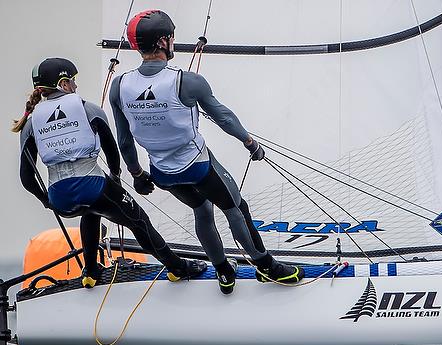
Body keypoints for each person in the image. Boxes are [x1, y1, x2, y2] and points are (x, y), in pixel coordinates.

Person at [109, 10, 304, 295]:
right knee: (236, 208)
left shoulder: (120, 86)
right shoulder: (187, 81)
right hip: (197, 167)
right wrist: (250, 143)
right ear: (164, 41)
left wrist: (137, 175)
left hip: (161, 173)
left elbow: (124, 140)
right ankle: (266, 266)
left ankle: (224, 271)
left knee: (202, 210)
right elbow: (223, 117)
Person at [13, 57, 207, 288]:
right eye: (73, 81)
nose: (76, 86)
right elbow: (112, 151)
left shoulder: (30, 123)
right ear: (63, 84)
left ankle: (91, 272)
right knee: (139, 221)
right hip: (93, 187)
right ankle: (178, 268)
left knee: (91, 212)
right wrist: (114, 178)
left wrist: (48, 201)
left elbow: (26, 178)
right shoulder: (87, 109)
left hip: (60, 197)